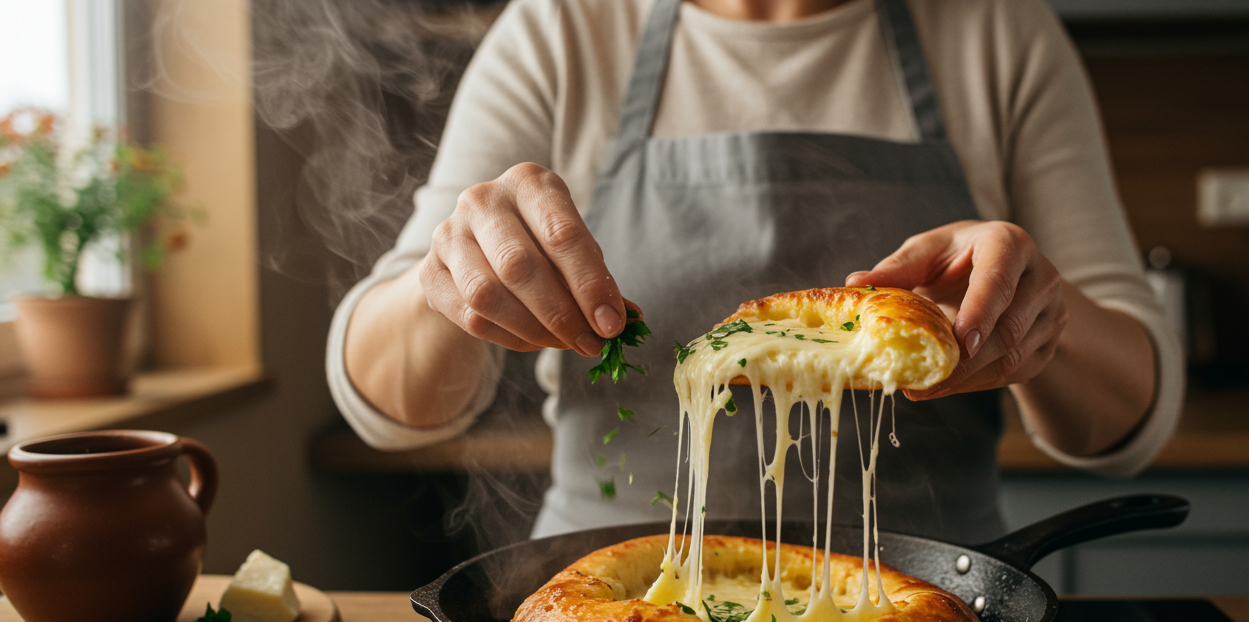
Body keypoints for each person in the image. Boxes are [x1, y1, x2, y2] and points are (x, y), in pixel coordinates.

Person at [327, 0, 1183, 543]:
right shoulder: (562, 29)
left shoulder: (998, 31)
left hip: (927, 597)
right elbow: (390, 406)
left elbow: (1128, 423)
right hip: (615, 598)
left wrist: (1040, 321)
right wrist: (449, 281)